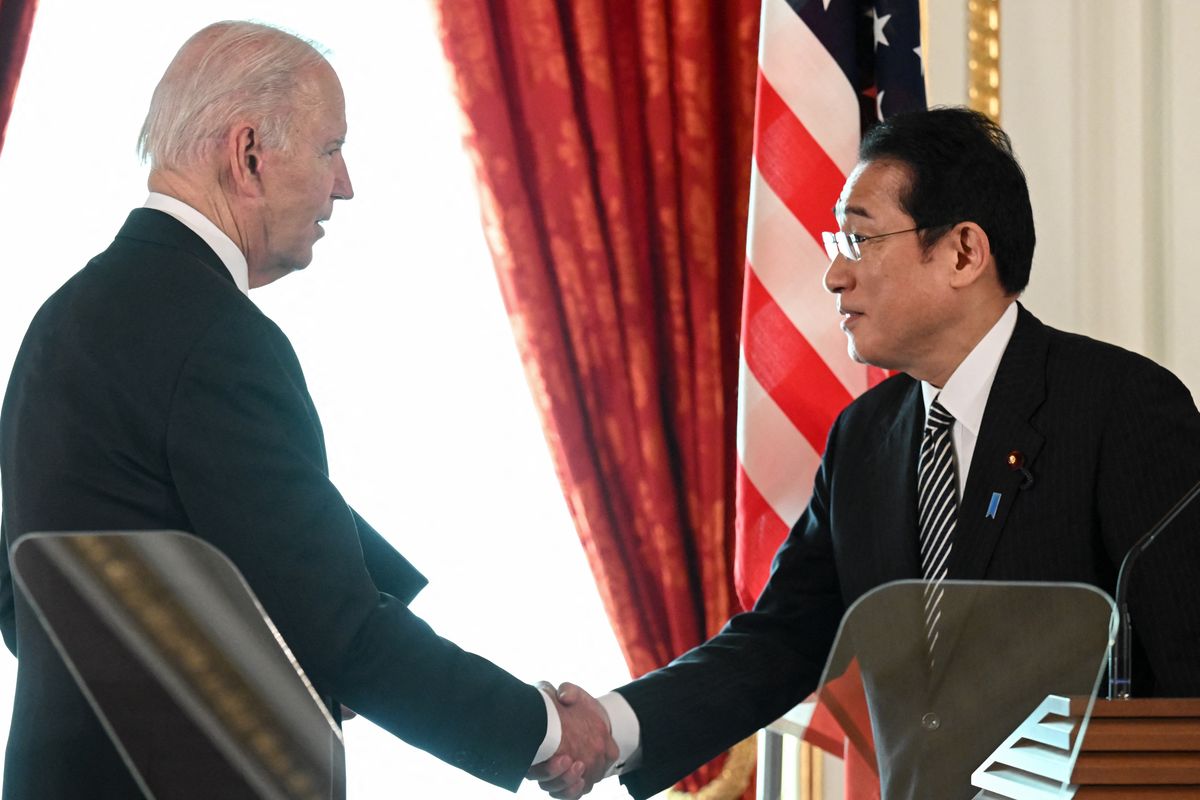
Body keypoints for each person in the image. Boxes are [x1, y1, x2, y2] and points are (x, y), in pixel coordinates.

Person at [0, 21, 614, 799]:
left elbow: (24, 585)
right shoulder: (220, 338)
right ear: (249, 154)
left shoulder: (64, 316)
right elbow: (339, 634)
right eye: (331, 149)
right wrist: (546, 731)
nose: (346, 184)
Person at [535, 107, 1200, 800]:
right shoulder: (864, 439)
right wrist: (614, 727)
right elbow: (784, 638)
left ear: (964, 253)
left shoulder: (1120, 406)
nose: (833, 276)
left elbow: (1188, 673)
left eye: (859, 240)